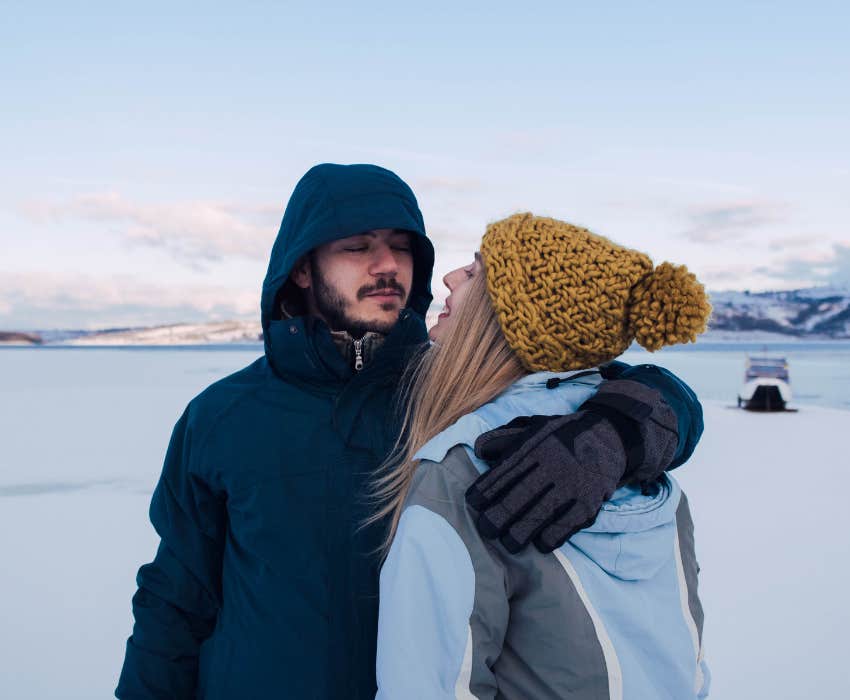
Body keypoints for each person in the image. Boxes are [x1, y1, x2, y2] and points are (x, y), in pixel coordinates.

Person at [116, 166, 704, 700]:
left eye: (402, 247)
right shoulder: (222, 415)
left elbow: (608, 379)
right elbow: (176, 597)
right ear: (301, 267)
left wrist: (617, 433)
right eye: (356, 247)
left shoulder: (458, 391)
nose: (386, 265)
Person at [375, 213, 712, 699]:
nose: (449, 278)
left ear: (516, 317)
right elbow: (688, 670)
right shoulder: (652, 473)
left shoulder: (460, 471)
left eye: (474, 272)